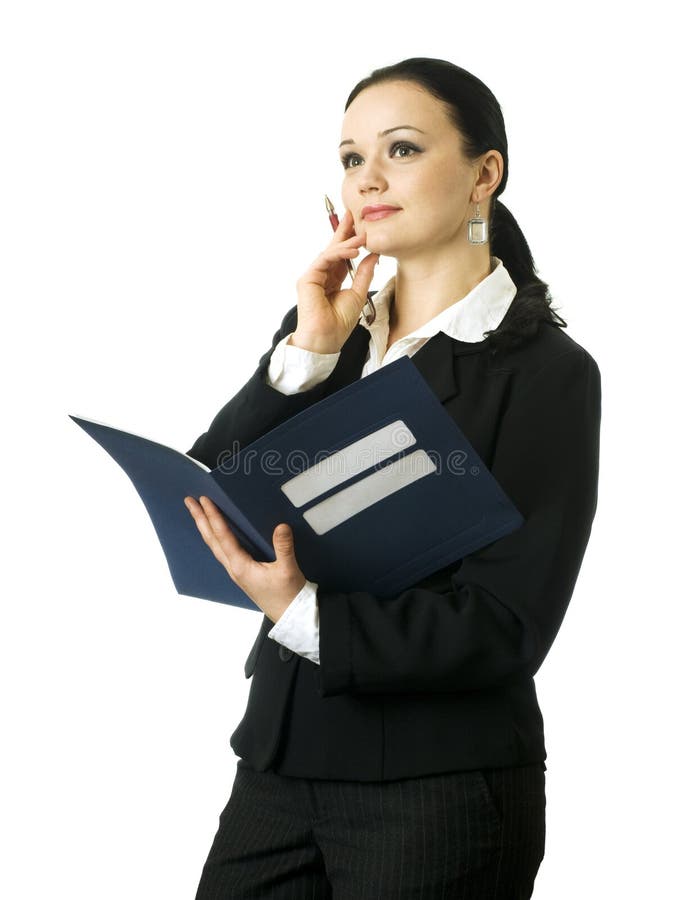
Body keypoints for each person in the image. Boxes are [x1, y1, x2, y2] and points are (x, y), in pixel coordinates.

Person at [184, 56, 601, 899]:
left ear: (485, 173)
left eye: (401, 149)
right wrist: (306, 351)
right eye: (349, 157)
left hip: (437, 787)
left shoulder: (544, 374)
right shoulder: (327, 335)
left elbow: (504, 625)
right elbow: (218, 486)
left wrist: (302, 613)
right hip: (277, 764)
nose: (367, 177)